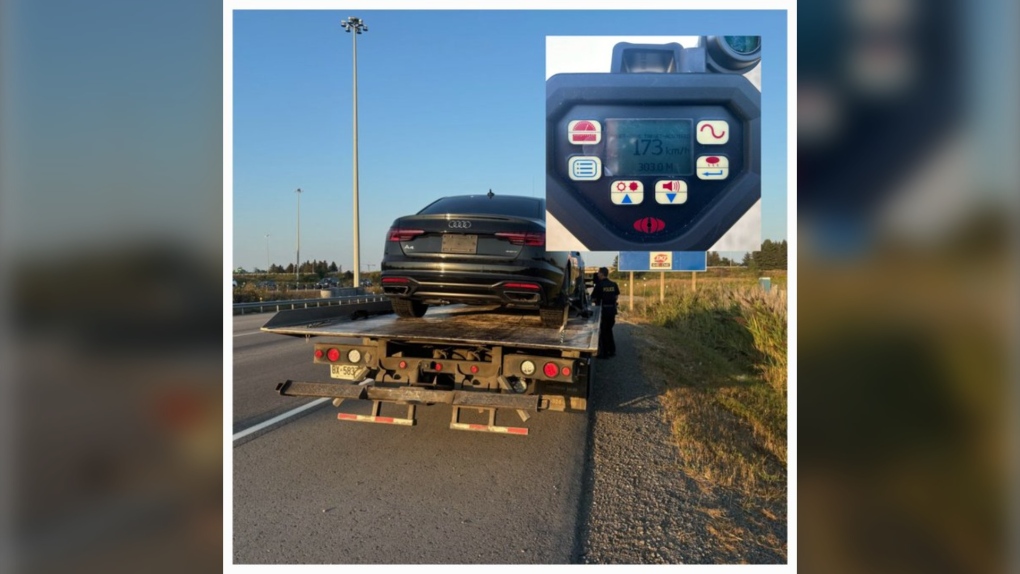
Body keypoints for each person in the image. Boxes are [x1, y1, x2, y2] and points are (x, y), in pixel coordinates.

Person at [591, 266, 619, 358]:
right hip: (612, 310)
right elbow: (615, 297)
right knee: (609, 330)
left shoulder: (599, 285)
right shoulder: (614, 284)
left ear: (602, 274)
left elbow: (593, 298)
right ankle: (612, 350)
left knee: (603, 332)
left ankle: (604, 353)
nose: (597, 274)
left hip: (603, 310)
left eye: (598, 273)